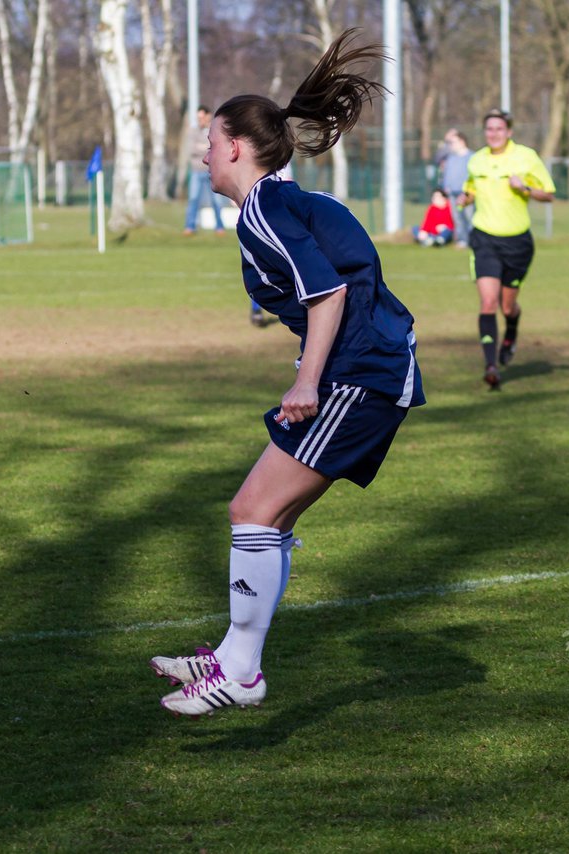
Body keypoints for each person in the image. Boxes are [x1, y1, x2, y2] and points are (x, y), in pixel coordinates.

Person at [148, 30, 425, 718]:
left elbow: (327, 293)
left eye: (210, 141)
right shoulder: (277, 203)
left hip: (362, 373)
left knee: (252, 509)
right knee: (266, 520)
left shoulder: (263, 210)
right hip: (368, 368)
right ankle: (233, 657)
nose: (202, 153)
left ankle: (240, 671)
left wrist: (308, 380)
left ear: (237, 147)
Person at [458, 108, 555, 390]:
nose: (494, 134)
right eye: (489, 129)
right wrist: (465, 199)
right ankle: (491, 365)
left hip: (517, 243)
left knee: (507, 306)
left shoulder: (526, 157)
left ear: (509, 131)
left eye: (499, 129)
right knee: (488, 302)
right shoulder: (476, 161)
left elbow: (548, 194)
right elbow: (471, 189)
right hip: (484, 238)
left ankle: (512, 328)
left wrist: (524, 188)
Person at [184, 105, 226, 236]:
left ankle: (219, 227)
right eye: (198, 118)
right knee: (193, 199)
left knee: (216, 200)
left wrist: (202, 147)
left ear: (208, 116)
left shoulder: (215, 131)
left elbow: (217, 148)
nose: (199, 120)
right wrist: (207, 147)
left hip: (212, 171)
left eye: (201, 117)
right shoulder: (192, 131)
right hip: (196, 171)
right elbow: (191, 149)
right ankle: (190, 227)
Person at [440, 130, 474, 247]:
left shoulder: (472, 157)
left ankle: (473, 240)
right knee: (458, 218)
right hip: (452, 193)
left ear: (462, 142)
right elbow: (446, 174)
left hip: (467, 194)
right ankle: (462, 240)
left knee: (470, 217)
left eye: (453, 142)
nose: (451, 145)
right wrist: (446, 186)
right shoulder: (450, 158)